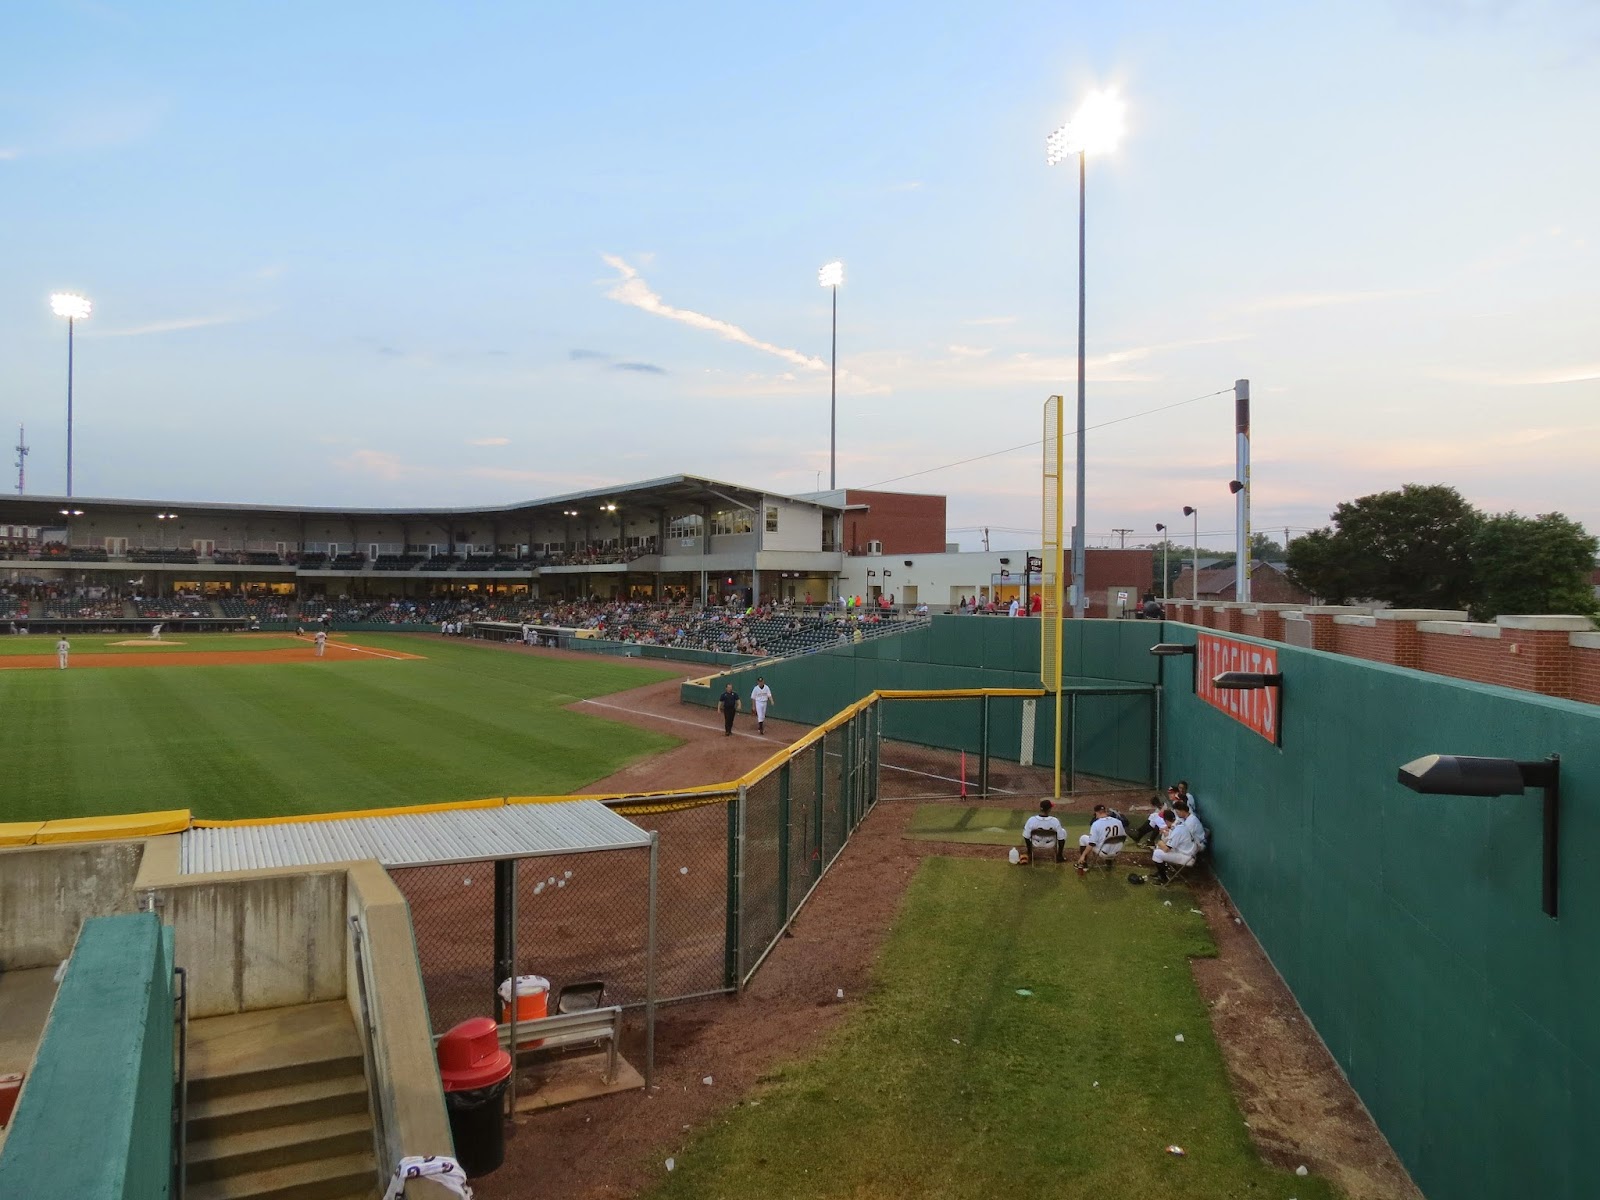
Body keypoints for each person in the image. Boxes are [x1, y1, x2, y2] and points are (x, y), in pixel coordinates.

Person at [1153, 800, 1200, 882]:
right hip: (1188, 851)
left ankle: (1163, 878)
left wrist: (1160, 842)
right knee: (1159, 847)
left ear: (1166, 821)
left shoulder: (1178, 830)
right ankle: (1161, 872)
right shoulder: (1179, 823)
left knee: (1157, 852)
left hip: (1187, 857)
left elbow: (1167, 849)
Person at [1076, 803, 1128, 873]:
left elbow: (1092, 843)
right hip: (1116, 852)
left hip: (1103, 852)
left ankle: (1084, 865)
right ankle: (1109, 864)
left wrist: (1083, 855)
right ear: (1105, 812)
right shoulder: (1118, 822)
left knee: (1083, 838)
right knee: (1109, 841)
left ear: (1096, 813)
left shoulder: (1096, 824)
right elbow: (1123, 836)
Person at [1020, 799, 1068, 864]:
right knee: (1063, 831)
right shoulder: (1055, 821)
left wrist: (1029, 850)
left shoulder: (1031, 820)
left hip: (1036, 843)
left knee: (1027, 834)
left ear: (1040, 808)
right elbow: (1061, 838)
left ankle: (1030, 853)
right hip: (1050, 844)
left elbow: (1026, 836)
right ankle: (1059, 856)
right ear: (1049, 809)